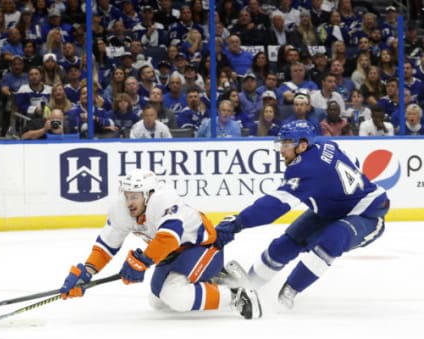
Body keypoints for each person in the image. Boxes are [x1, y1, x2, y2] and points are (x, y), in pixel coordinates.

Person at [213, 120, 390, 309]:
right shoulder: (324, 144)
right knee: (284, 245)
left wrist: (239, 222)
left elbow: (275, 205)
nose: (281, 150)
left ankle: (287, 295)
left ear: (303, 145)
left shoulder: (305, 169)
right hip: (330, 209)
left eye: (286, 144)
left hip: (368, 213)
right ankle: (249, 286)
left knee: (333, 239)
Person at [58, 169, 261, 319]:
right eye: (127, 195)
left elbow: (169, 237)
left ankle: (235, 295)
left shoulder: (164, 198)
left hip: (203, 247)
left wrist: (143, 261)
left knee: (175, 296)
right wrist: (87, 272)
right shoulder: (121, 208)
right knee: (158, 302)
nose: (130, 202)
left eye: (135, 196)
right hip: (172, 255)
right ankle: (217, 281)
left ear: (148, 194)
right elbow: (106, 245)